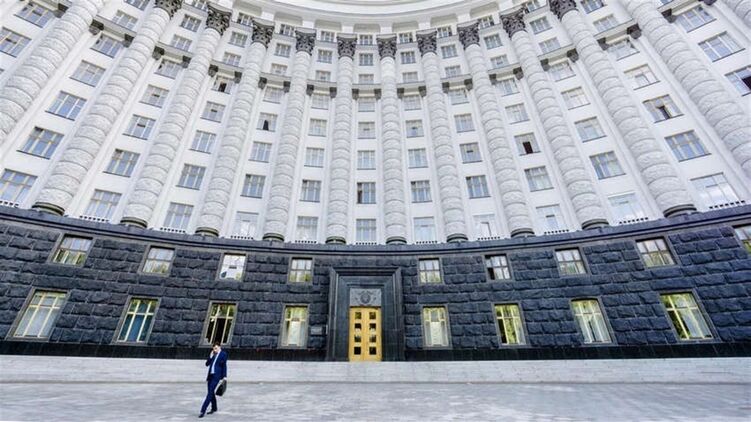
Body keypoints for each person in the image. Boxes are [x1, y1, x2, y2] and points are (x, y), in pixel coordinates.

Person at [199, 341, 228, 418]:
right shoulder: (213, 354)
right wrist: (210, 356)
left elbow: (224, 365)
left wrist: (224, 377)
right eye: (214, 348)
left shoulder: (223, 354)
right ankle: (214, 408)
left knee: (209, 394)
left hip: (216, 376)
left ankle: (202, 410)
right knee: (211, 392)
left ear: (219, 347)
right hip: (210, 376)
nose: (215, 350)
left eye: (216, 348)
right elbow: (207, 364)